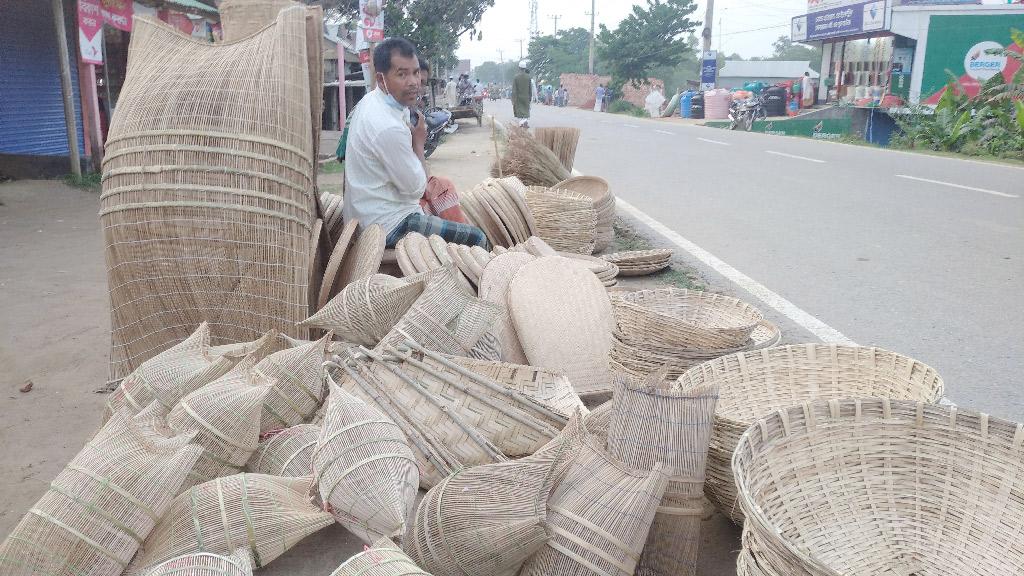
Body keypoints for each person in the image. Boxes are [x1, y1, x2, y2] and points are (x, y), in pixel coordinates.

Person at [342, 37, 487, 249]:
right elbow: (416, 189)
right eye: (402, 74)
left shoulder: (372, 101)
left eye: (416, 72)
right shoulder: (386, 125)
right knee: (476, 238)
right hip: (387, 225)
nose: (413, 82)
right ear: (382, 79)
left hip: (369, 212)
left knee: (441, 197)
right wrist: (419, 145)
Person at [512, 60, 532, 127]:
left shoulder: (516, 77)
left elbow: (514, 90)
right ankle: (525, 121)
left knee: (519, 112)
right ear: (525, 68)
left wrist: (513, 99)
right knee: (526, 111)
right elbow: (530, 88)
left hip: (518, 97)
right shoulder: (528, 77)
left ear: (519, 68)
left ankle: (522, 123)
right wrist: (530, 97)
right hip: (526, 97)